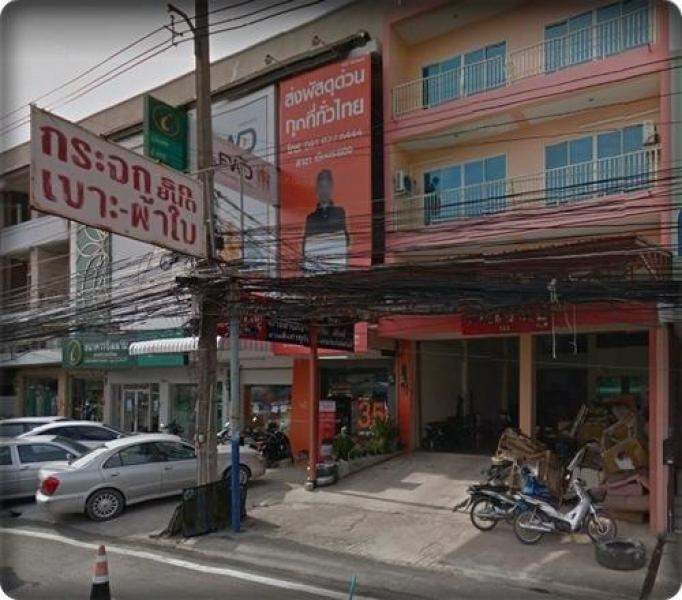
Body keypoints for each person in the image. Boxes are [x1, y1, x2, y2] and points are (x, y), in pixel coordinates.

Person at [302, 169, 349, 273]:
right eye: (321, 187)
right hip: (316, 269)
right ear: (317, 190)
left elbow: (345, 240)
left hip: (336, 266)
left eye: (326, 186)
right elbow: (305, 247)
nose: (324, 191)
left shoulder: (339, 212)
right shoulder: (311, 218)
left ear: (331, 188)